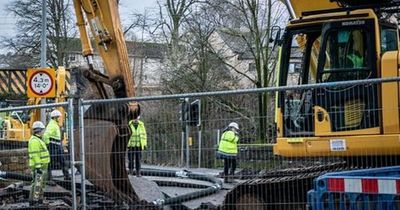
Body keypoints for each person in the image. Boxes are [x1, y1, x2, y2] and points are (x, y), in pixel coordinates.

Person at [43, 110, 70, 180]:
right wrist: (48, 144)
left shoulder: (54, 124)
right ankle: (49, 178)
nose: (60, 118)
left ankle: (67, 176)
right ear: (55, 117)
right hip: (53, 146)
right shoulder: (52, 125)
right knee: (51, 162)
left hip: (57, 146)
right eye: (58, 117)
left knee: (62, 161)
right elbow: (45, 135)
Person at [28, 121, 50, 206]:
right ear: (39, 130)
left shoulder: (38, 139)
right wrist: (38, 167)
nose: (44, 132)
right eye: (43, 130)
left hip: (43, 166)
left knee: (41, 184)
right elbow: (35, 155)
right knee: (37, 184)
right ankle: (34, 201)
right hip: (39, 166)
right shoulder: (34, 141)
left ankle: (40, 200)